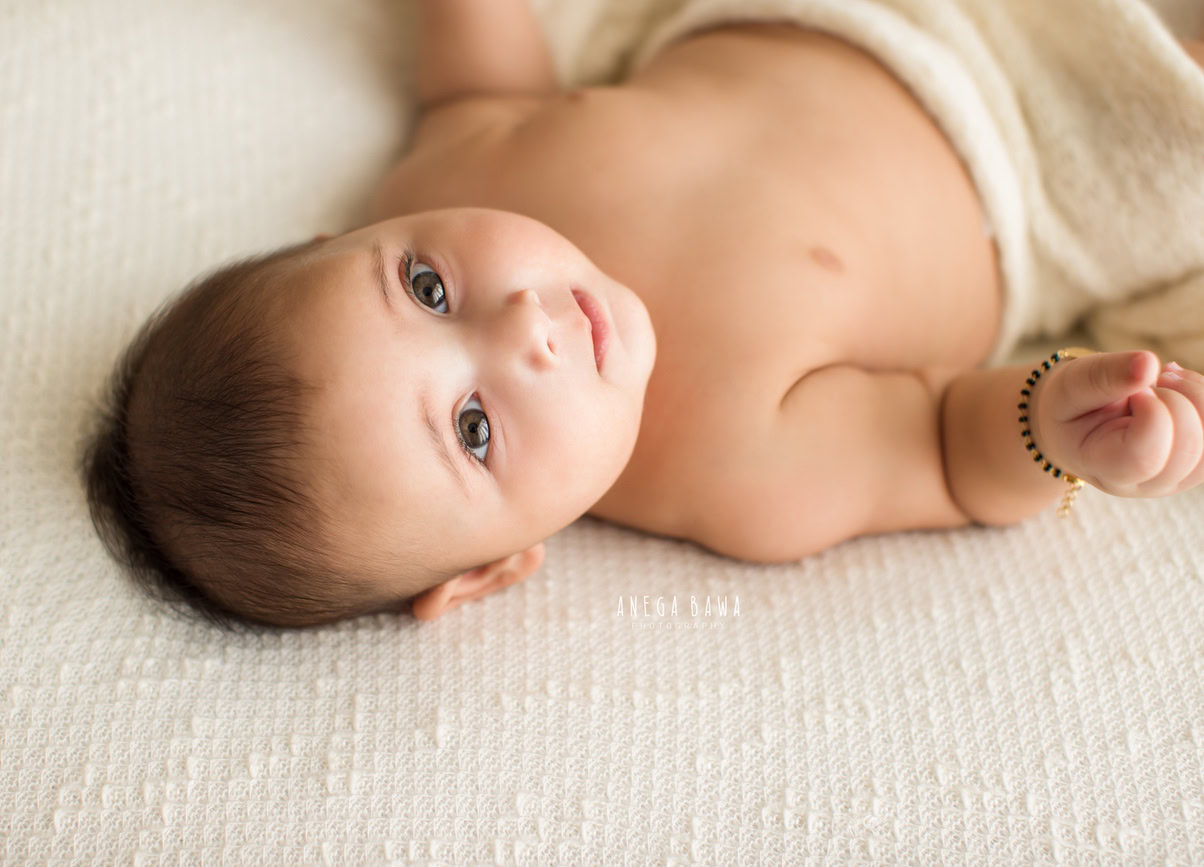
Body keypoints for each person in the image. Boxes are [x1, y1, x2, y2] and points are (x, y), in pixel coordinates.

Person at [80, 0, 1204, 631]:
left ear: (350, 239)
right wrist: (1052, 428)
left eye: (423, 287)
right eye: (473, 427)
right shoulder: (740, 470)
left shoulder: (446, 170)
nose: (523, 326)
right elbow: (948, 451)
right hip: (1052, 152)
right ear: (492, 567)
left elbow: (478, 77)